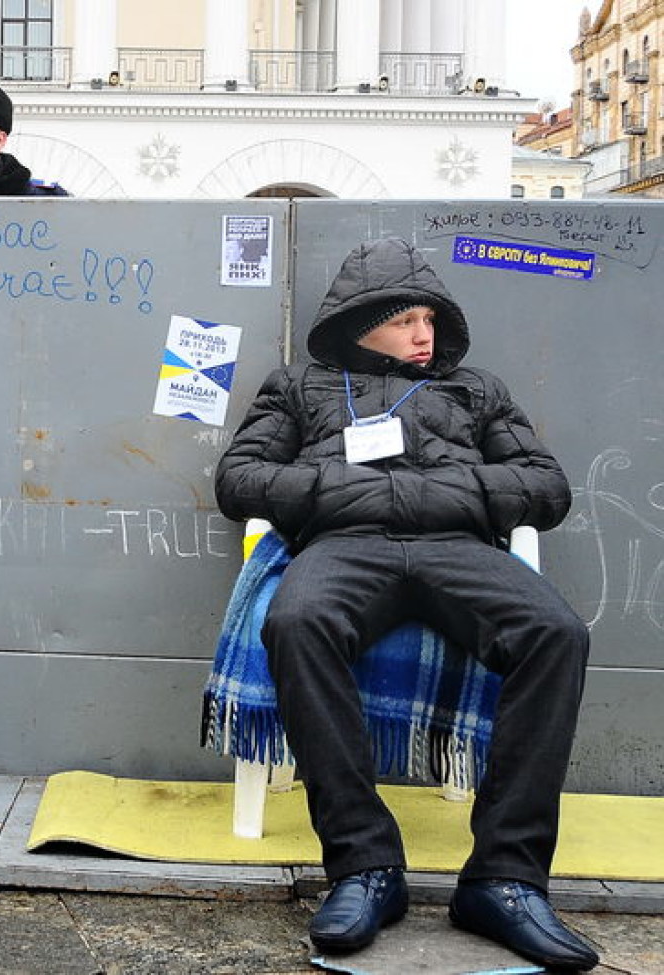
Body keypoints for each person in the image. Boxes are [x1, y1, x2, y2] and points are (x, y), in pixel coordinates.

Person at [214, 237, 597, 971]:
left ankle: (505, 878)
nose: (424, 335)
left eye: (429, 319)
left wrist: (436, 494)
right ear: (360, 323)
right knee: (295, 620)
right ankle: (365, 865)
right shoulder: (300, 387)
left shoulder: (474, 388)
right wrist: (340, 493)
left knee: (556, 632)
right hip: (346, 547)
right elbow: (240, 478)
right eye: (404, 321)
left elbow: (546, 487)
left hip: (462, 550)